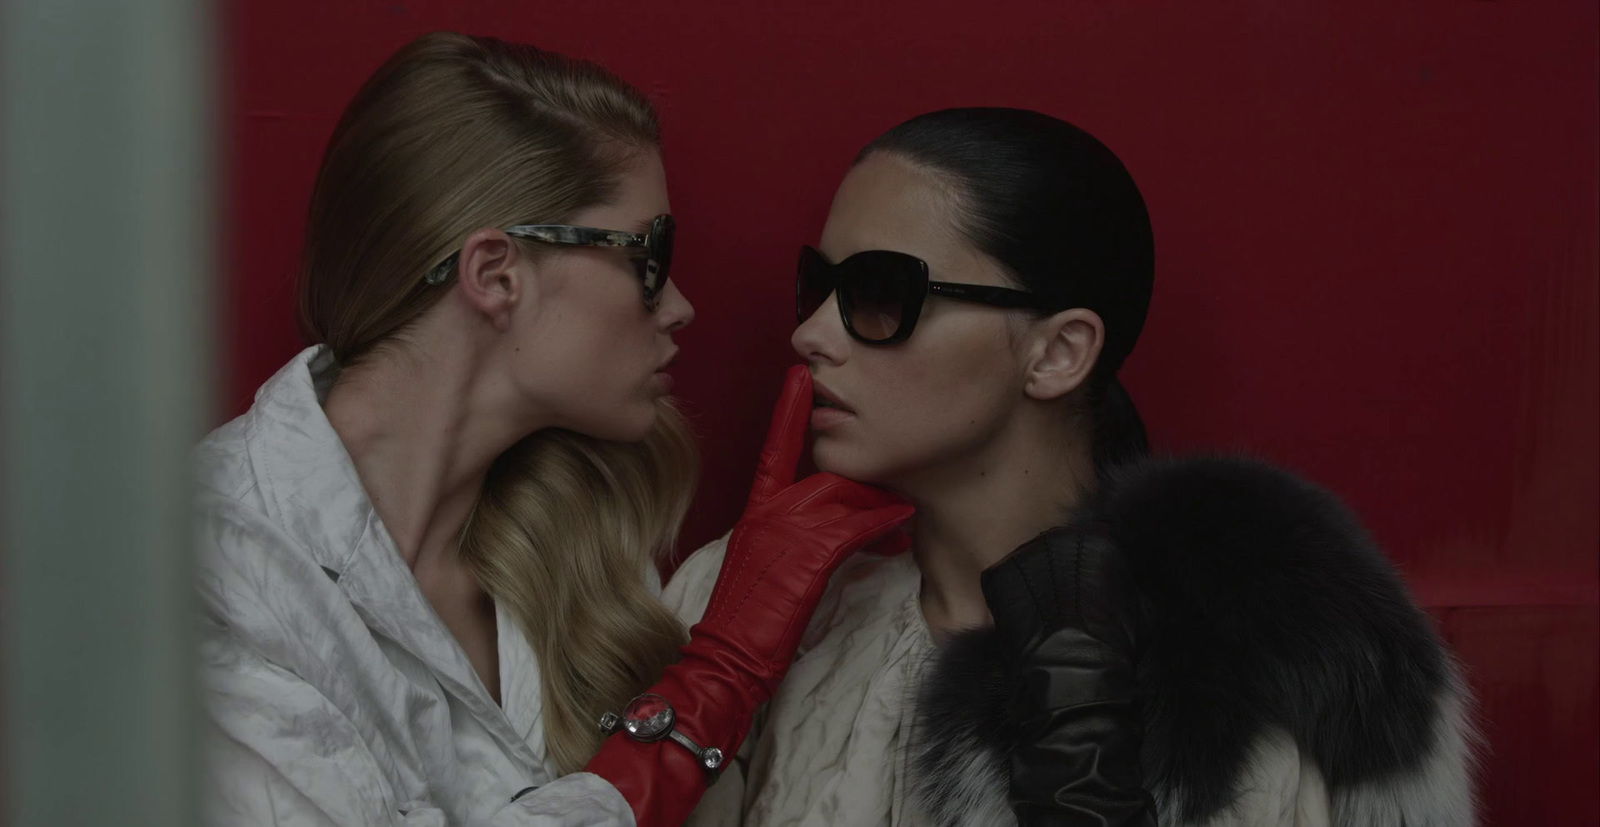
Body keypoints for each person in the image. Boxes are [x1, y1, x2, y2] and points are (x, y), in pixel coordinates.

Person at [662, 108, 1477, 826]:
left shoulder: (1249, 660)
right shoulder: (731, 598)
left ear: (1057, 352)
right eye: (819, 285)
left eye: (878, 292)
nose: (811, 333)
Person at [194, 32, 912, 826]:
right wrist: (719, 676)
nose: (678, 306)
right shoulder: (210, 567)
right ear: (497, 274)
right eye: (649, 255)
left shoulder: (578, 538)